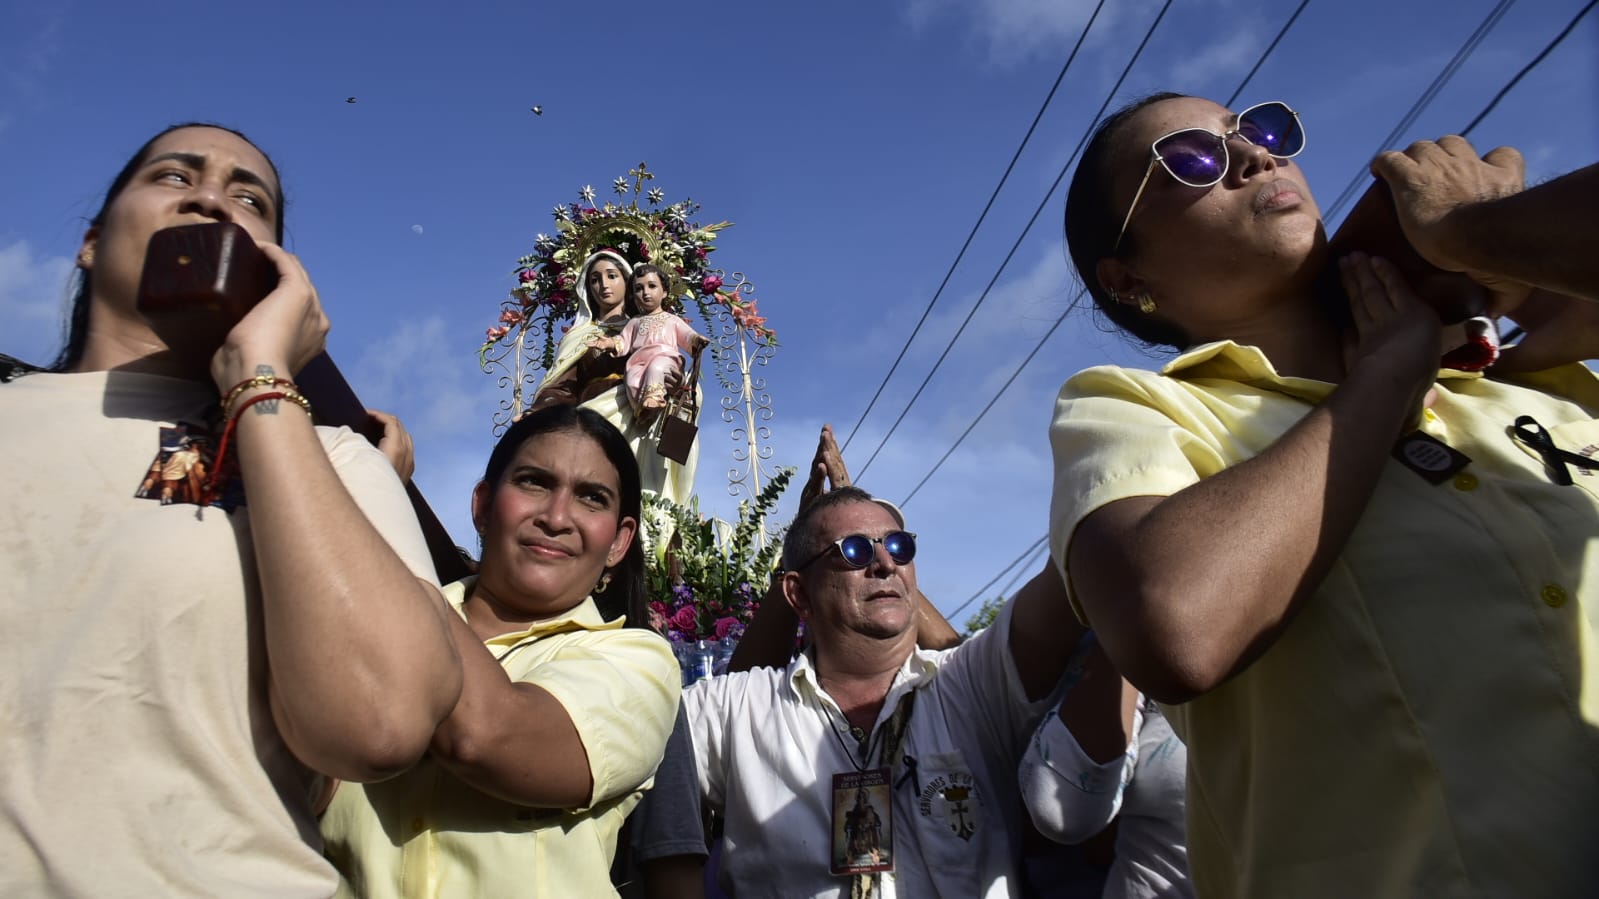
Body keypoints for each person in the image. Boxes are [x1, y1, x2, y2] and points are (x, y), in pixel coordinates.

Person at [1051, 93, 1599, 897]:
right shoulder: (1138, 409)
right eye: (1190, 159)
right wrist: (1385, 374)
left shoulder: (1525, 379)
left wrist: (1478, 238)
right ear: (1128, 279)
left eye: (1260, 131)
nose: (1252, 157)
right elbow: (1176, 626)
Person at [0, 123, 462, 897]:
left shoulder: (334, 463)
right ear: (89, 242)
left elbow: (379, 719)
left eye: (249, 198)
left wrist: (262, 377)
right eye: (175, 177)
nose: (211, 199)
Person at [680, 434, 1116, 897]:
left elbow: (1081, 562)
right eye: (854, 551)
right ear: (798, 594)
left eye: (899, 546)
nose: (886, 563)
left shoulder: (969, 685)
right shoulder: (733, 710)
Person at [320, 404, 681, 898]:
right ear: (483, 506)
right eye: (534, 482)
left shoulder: (639, 664)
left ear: (619, 542)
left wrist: (381, 509)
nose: (556, 517)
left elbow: (484, 735)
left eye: (591, 498)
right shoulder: (359, 625)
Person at [533, 250, 698, 534]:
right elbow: (562, 387)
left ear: (626, 281)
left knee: (644, 497)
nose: (604, 285)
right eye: (595, 279)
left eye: (612, 276)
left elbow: (682, 365)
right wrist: (537, 415)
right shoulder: (581, 336)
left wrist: (670, 382)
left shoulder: (654, 326)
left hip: (642, 419)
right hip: (592, 419)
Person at [593, 263, 708, 416]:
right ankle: (641, 410)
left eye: (652, 286)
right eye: (639, 289)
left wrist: (696, 340)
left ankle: (655, 398)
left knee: (657, 367)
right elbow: (623, 341)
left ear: (665, 292)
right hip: (638, 363)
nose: (645, 293)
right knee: (632, 377)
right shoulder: (634, 322)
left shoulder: (671, 319)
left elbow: (687, 336)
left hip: (665, 359)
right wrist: (609, 343)